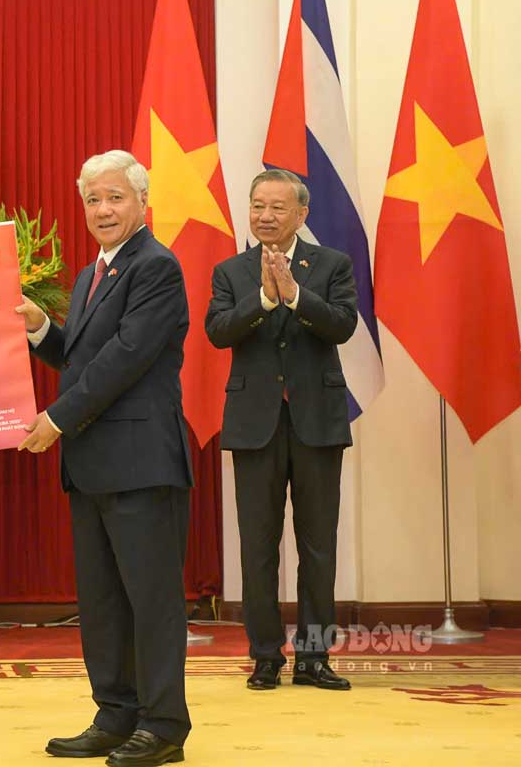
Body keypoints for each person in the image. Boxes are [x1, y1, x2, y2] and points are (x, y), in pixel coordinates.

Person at [16, 150, 193, 767]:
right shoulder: (95, 273)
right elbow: (82, 358)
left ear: (143, 202)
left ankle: (163, 725)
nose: (103, 210)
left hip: (142, 462)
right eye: (92, 199)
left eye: (115, 197)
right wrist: (41, 327)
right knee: (102, 601)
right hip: (94, 463)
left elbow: (125, 359)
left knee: (152, 600)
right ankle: (116, 714)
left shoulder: (157, 267)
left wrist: (56, 419)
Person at [205, 168, 358, 692]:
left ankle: (314, 657)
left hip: (317, 422)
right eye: (257, 206)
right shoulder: (230, 271)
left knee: (318, 544)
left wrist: (294, 294)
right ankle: (265, 655)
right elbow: (218, 331)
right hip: (255, 426)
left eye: (276, 207)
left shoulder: (332, 264)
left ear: (301, 215)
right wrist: (266, 300)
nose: (265, 216)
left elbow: (342, 324)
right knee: (259, 546)